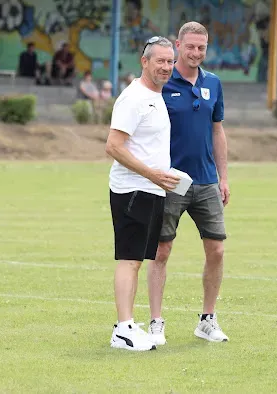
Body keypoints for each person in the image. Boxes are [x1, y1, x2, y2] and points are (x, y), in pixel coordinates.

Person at [147, 22, 230, 345]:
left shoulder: (214, 83)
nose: (196, 53)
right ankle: (155, 321)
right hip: (169, 181)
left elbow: (217, 130)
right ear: (178, 46)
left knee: (217, 250)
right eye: (190, 47)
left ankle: (207, 320)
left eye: (201, 48)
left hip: (207, 181)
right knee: (161, 251)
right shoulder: (162, 82)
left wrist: (224, 177)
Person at [105, 36, 180, 351]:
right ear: (144, 61)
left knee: (137, 259)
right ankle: (122, 329)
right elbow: (113, 146)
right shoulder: (134, 97)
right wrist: (152, 174)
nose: (166, 67)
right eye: (160, 61)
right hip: (133, 190)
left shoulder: (156, 95)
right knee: (130, 260)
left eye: (169, 61)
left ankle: (127, 325)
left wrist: (165, 174)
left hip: (152, 190)